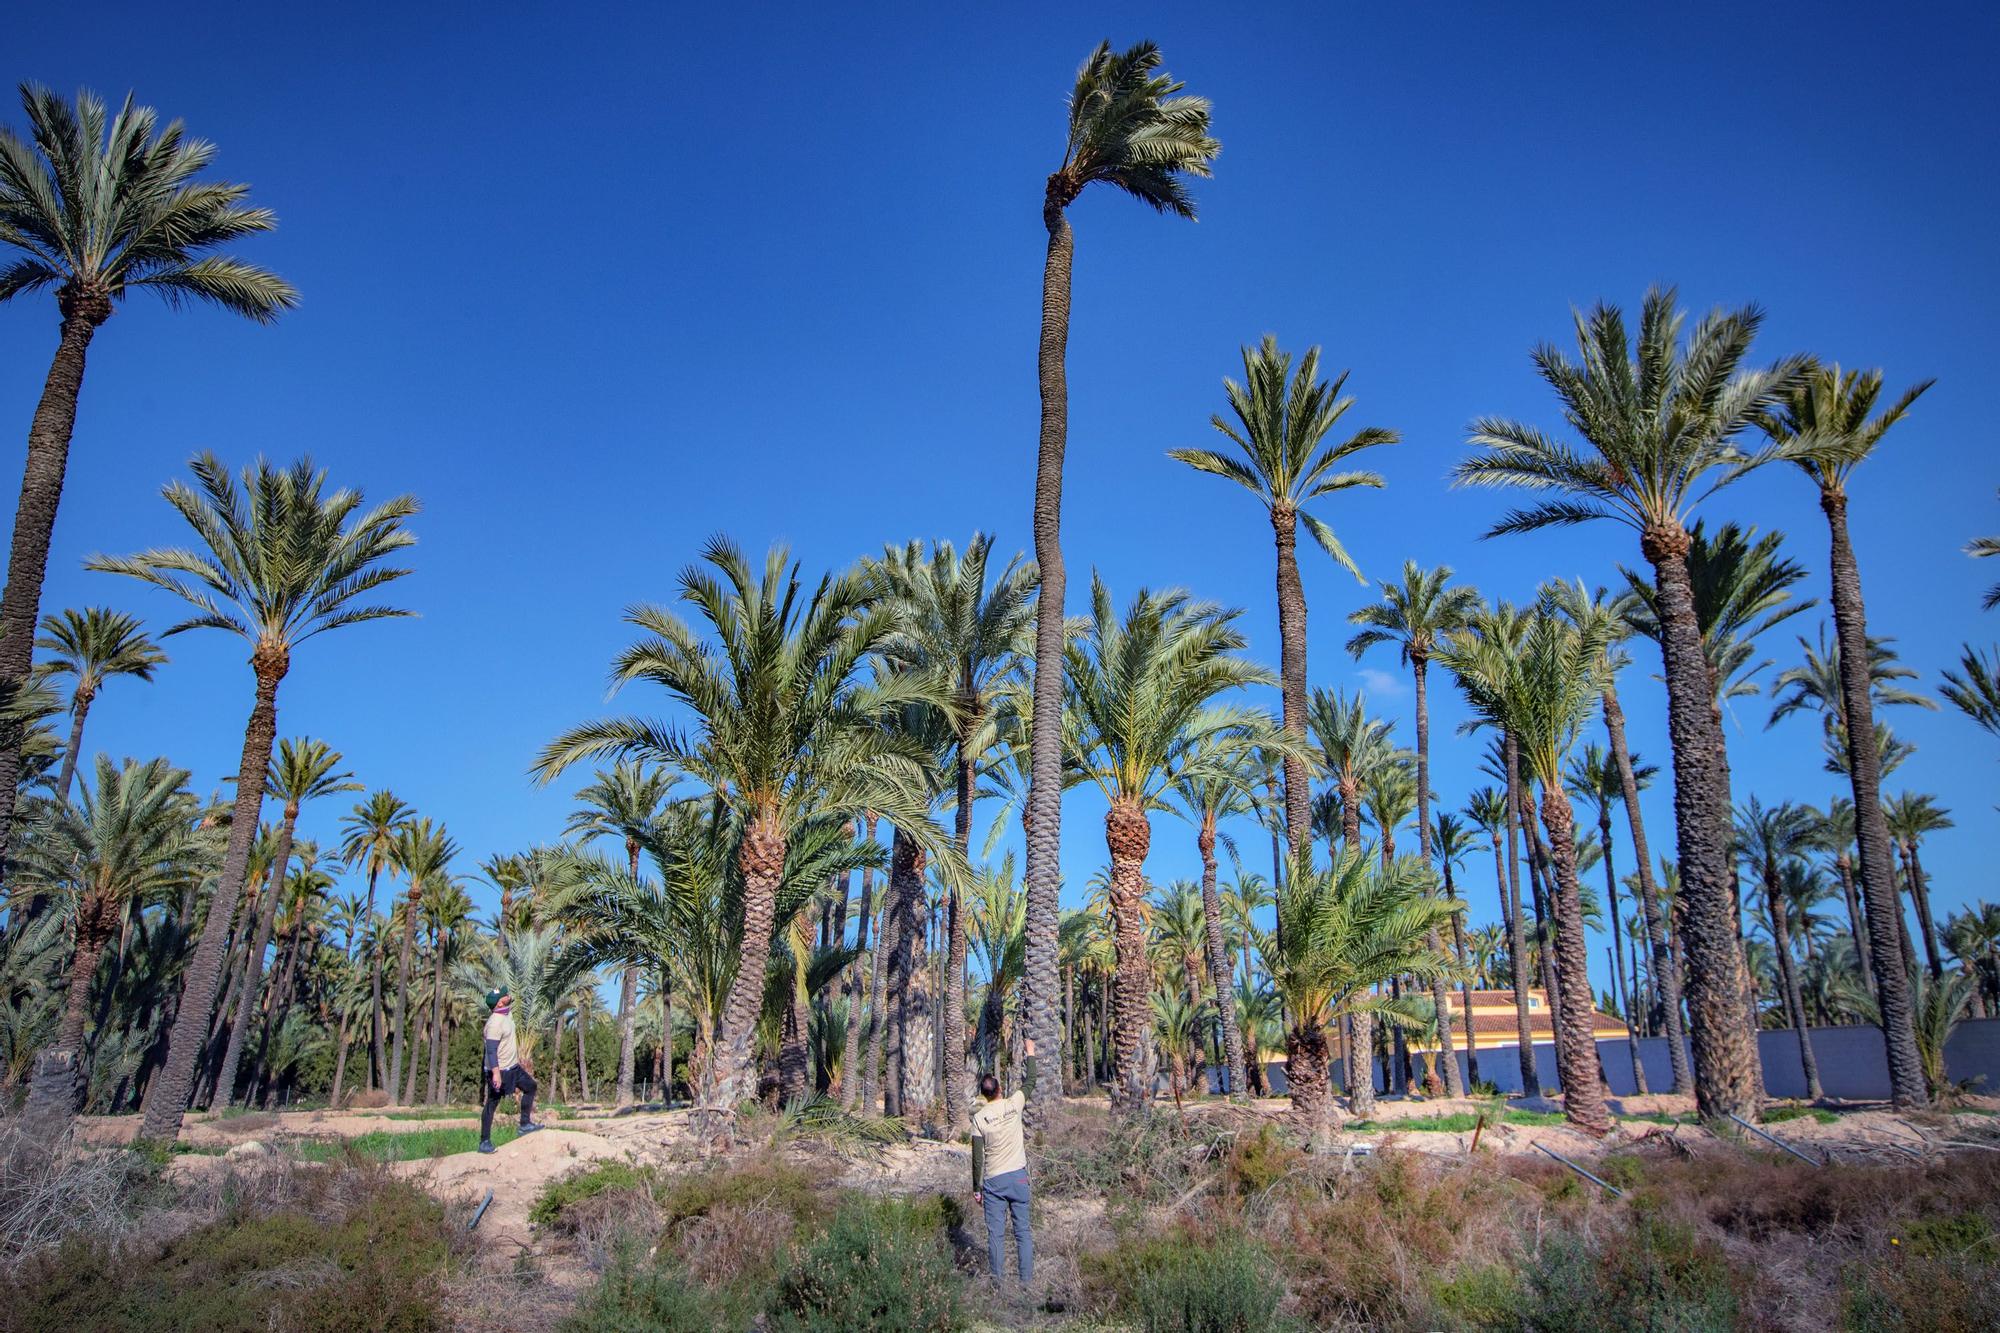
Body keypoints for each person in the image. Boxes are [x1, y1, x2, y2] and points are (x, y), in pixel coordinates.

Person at [970, 1036, 1036, 1284]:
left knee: (996, 1236)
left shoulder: (979, 1119)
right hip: (1018, 1178)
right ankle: (1026, 1283)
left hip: (994, 1182)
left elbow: (977, 1159)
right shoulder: (1013, 1104)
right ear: (998, 1089)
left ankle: (997, 1285)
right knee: (1023, 1233)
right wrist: (1030, 1052)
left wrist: (976, 1189)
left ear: (984, 1095)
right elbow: (1030, 1081)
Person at [478, 987, 542, 1153]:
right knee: (492, 1103)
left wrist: (509, 997)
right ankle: (484, 1142)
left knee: (531, 1087)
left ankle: (525, 1124)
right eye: (504, 996)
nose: (508, 996)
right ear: (499, 1003)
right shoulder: (494, 1024)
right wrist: (496, 1073)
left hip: (513, 1067)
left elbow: (511, 999)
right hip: (499, 1070)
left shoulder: (506, 1014)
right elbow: (491, 1051)